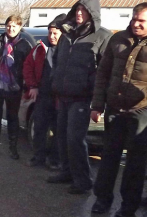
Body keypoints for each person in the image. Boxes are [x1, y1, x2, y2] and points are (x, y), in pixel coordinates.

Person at [47, 0, 112, 194]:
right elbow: (57, 61)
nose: (80, 13)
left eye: (84, 10)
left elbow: (105, 71)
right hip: (63, 94)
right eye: (78, 9)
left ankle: (83, 180)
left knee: (76, 139)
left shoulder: (102, 36)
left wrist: (98, 103)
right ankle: (67, 172)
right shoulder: (67, 34)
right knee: (62, 136)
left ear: (93, 12)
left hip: (83, 97)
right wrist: (54, 82)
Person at [90, 3, 147, 217]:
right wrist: (96, 105)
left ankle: (128, 205)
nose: (136, 23)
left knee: (135, 162)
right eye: (134, 19)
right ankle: (102, 199)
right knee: (109, 157)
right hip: (114, 107)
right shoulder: (118, 39)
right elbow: (102, 74)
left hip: (141, 111)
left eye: (141, 20)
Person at [0, 15, 32, 160]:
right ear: (5, 26)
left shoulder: (24, 45)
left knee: (12, 117)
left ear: (20, 27)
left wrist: (27, 86)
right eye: (9, 25)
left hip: (14, 87)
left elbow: (28, 67)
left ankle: (12, 148)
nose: (11, 28)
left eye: (14, 26)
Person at [24, 14, 66, 169]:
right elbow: (27, 67)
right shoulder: (40, 48)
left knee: (58, 131)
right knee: (40, 128)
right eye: (50, 33)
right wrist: (32, 86)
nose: (52, 36)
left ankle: (55, 160)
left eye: (55, 33)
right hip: (43, 95)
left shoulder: (68, 50)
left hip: (60, 98)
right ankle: (38, 158)